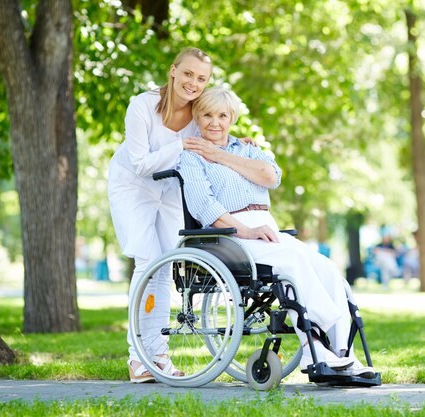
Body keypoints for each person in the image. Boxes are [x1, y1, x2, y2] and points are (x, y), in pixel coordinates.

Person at [178, 87, 375, 378]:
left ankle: (343, 352)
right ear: (197, 115)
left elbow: (270, 177)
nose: (214, 122)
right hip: (230, 234)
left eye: (222, 115)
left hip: (266, 228)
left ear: (232, 118)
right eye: (207, 114)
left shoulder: (248, 148)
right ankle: (315, 348)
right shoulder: (191, 156)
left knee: (327, 267)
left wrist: (219, 155)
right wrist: (245, 230)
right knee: (292, 264)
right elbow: (202, 205)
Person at [108, 48, 261, 383]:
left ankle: (156, 355)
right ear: (173, 70)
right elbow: (140, 164)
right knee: (147, 261)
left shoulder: (198, 112)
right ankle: (138, 359)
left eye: (202, 78)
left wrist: (237, 143)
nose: (194, 83)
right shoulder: (143, 106)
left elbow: (214, 131)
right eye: (188, 74)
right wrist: (179, 146)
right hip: (133, 187)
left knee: (167, 265)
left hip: (170, 189)